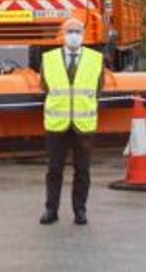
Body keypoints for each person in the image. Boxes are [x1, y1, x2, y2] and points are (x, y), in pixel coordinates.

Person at [39, 17, 104, 226]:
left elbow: (98, 88)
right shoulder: (48, 59)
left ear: (83, 35)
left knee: (82, 170)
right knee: (54, 169)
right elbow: (45, 85)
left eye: (77, 31)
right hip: (56, 125)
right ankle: (51, 210)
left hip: (83, 126)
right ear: (62, 35)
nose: (73, 35)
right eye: (69, 31)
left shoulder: (96, 59)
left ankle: (80, 211)